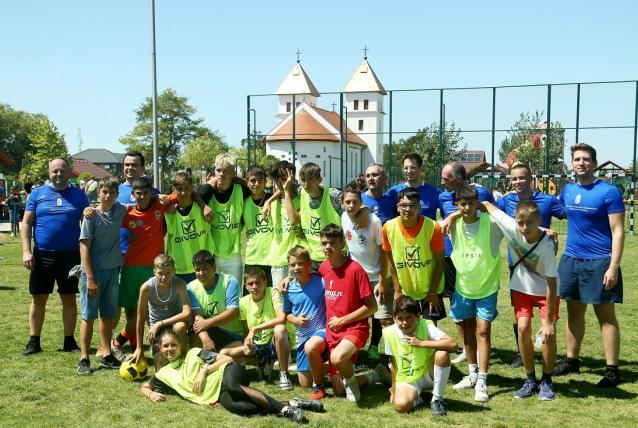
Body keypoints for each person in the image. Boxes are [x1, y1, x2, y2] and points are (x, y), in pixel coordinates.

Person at [553, 143, 625, 387]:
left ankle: (612, 369)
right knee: (574, 312)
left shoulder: (609, 192)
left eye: (586, 159)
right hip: (571, 260)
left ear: (594, 163)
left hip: (600, 262)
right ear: (572, 163)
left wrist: (613, 266)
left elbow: (617, 231)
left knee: (605, 315)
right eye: (577, 159)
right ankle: (572, 360)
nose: (581, 163)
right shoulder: (568, 191)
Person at [141, 330, 324, 423]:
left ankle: (286, 412)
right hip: (216, 393)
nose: (170, 349)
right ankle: (294, 403)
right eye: (166, 346)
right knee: (242, 408)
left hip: (229, 371)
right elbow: (145, 387)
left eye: (173, 345)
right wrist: (150, 394)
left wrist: (204, 371)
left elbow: (227, 358)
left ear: (180, 345)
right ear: (160, 349)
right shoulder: (163, 374)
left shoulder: (195, 352)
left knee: (234, 387)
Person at [482, 200, 559, 400]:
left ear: (539, 221)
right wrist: (450, 217)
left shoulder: (547, 245)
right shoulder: (511, 226)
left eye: (530, 223)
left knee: (548, 333)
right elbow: (486, 204)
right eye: (520, 222)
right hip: (521, 289)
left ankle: (547, 380)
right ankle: (530, 380)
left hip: (546, 292)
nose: (524, 227)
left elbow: (552, 285)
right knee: (523, 328)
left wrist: (549, 321)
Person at [497, 162, 565, 368]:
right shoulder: (506, 201)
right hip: (518, 267)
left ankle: (547, 357)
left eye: (522, 178)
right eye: (514, 178)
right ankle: (521, 352)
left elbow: (573, 216)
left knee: (547, 314)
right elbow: (494, 218)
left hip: (543, 267)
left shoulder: (548, 200)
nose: (518, 182)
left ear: (531, 178)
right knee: (519, 315)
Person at [22, 157, 90, 355]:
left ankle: (69, 341)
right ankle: (34, 341)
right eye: (55, 171)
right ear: (49, 172)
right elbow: (26, 224)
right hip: (42, 255)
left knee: (68, 298)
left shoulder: (79, 195)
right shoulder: (36, 194)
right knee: (38, 298)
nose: (59, 174)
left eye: (62, 170)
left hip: (70, 255)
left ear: (69, 172)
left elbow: (86, 224)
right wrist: (26, 251)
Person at [444, 186, 503, 402]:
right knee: (467, 332)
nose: (468, 207)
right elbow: (436, 227)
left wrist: (545, 231)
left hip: (487, 288)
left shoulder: (491, 224)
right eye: (463, 203)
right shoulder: (453, 225)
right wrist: (452, 216)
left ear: (478, 202)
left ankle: (482, 381)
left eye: (471, 202)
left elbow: (518, 227)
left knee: (484, 331)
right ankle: (471, 373)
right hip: (463, 288)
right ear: (457, 204)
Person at [439, 161, 495, 364]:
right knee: (457, 303)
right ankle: (466, 347)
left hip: (476, 258)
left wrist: (453, 216)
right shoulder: (443, 196)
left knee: (475, 305)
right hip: (451, 256)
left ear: (459, 178)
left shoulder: (482, 193)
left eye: (447, 178)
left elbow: (488, 213)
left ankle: (477, 345)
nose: (443, 182)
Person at [319, 224, 377, 402]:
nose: (328, 247)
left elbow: (372, 307)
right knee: (338, 391)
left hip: (355, 328)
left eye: (333, 243)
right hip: (333, 331)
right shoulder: (323, 268)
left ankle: (351, 381)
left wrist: (343, 320)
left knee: (336, 358)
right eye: (324, 243)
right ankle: (376, 376)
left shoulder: (355, 269)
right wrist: (290, 278)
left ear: (342, 244)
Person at [111, 177, 168, 360]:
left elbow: (182, 194)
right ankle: (136, 343)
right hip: (130, 266)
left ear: (152, 193)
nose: (142, 197)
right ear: (133, 194)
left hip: (151, 268)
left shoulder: (159, 207)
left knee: (146, 309)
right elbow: (106, 214)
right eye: (138, 194)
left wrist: (166, 197)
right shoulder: (128, 214)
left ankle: (118, 341)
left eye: (145, 193)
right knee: (131, 308)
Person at [77, 177, 127, 374]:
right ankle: (84, 359)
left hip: (112, 271)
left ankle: (106, 353)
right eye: (104, 192)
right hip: (93, 274)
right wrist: (89, 277)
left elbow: (143, 201)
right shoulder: (90, 216)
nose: (108, 196)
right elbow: (84, 247)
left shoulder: (120, 210)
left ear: (116, 195)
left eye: (112, 193)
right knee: (89, 316)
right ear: (98, 193)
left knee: (107, 315)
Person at [341, 184, 392, 362]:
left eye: (355, 202)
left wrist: (382, 280)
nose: (351, 205)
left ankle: (384, 355)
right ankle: (353, 351)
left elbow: (384, 251)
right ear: (342, 204)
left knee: (383, 318)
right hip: (355, 278)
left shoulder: (374, 221)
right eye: (347, 202)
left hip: (377, 276)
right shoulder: (343, 218)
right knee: (356, 316)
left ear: (361, 203)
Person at [223, 266, 296, 390]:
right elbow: (246, 330)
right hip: (258, 344)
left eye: (258, 282)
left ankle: (284, 374)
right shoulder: (243, 302)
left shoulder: (272, 292)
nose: (254, 286)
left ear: (265, 282)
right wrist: (247, 344)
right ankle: (261, 362)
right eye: (250, 284)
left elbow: (281, 318)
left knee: (280, 329)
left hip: (276, 340)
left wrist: (255, 329)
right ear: (245, 286)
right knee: (224, 353)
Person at [384, 295, 456, 416]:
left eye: (409, 317)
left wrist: (421, 343)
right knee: (400, 406)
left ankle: (437, 399)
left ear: (418, 316)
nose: (404, 323)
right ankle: (419, 399)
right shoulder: (389, 333)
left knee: (442, 354)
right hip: (409, 377)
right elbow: (394, 363)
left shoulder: (426, 325)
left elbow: (453, 344)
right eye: (400, 318)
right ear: (394, 318)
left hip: (430, 373)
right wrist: (394, 390)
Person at [382, 187, 446, 321]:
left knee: (429, 330)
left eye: (412, 206)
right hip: (406, 290)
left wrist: (433, 292)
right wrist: (397, 290)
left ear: (419, 208)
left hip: (430, 289)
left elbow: (440, 262)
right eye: (403, 205)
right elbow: (391, 263)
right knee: (407, 328)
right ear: (397, 207)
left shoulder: (433, 227)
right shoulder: (388, 227)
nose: (408, 209)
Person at [129, 254, 191, 370]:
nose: (164, 277)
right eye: (160, 273)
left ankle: (183, 360)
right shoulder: (147, 287)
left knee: (180, 326)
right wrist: (139, 348)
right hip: (156, 330)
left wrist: (160, 323)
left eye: (168, 273)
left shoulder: (180, 284)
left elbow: (187, 313)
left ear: (174, 272)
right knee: (160, 369)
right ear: (154, 272)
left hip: (173, 325)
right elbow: (140, 318)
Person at [282, 245, 328, 398]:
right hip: (302, 336)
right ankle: (325, 369)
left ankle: (323, 379)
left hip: (321, 331)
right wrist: (295, 320)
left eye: (300, 263)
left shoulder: (321, 283)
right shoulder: (289, 289)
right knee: (304, 384)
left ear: (309, 264)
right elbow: (286, 314)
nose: (296, 268)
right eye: (293, 265)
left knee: (312, 346)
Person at [198, 154, 250, 282]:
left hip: (234, 254)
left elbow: (256, 188)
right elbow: (189, 195)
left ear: (233, 172)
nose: (221, 174)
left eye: (226, 170)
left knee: (234, 293)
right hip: (211, 254)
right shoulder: (206, 191)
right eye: (218, 170)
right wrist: (203, 206)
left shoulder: (241, 190)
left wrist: (241, 180)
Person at [188, 250, 244, 352]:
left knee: (225, 355)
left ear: (214, 268)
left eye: (205, 269)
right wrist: (205, 338)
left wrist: (207, 323)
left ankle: (223, 354)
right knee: (192, 331)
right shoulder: (191, 287)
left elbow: (232, 312)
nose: (201, 273)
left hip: (232, 334)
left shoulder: (229, 282)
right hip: (209, 330)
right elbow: (197, 316)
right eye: (198, 270)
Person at [164, 171, 211, 284]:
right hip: (178, 268)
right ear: (173, 189)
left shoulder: (203, 207)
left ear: (192, 188)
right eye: (179, 189)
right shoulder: (168, 212)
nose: (184, 192)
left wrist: (204, 206)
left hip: (202, 266)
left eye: (187, 188)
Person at [267, 161, 305, 287]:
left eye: (283, 179)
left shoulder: (301, 200)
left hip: (297, 260)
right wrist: (269, 201)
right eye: (276, 180)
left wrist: (287, 189)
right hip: (277, 259)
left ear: (292, 178)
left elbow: (295, 221)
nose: (279, 183)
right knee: (280, 300)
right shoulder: (272, 202)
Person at [298, 163, 343, 266]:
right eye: (303, 180)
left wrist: (364, 210)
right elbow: (285, 187)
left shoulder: (333, 195)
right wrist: (269, 201)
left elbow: (354, 202)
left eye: (311, 180)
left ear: (319, 180)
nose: (306, 184)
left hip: (335, 256)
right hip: (313, 258)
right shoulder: (301, 191)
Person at [242, 165, 275, 287]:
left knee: (271, 297)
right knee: (251, 297)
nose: (256, 184)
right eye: (252, 180)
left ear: (266, 182)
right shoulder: (244, 203)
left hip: (271, 258)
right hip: (252, 258)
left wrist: (269, 201)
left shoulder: (273, 200)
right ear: (247, 182)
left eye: (260, 180)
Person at [386, 153, 441, 220]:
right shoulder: (393, 191)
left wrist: (450, 218)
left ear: (420, 168)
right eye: (405, 168)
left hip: (427, 230)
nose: (408, 171)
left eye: (412, 168)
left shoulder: (434, 191)